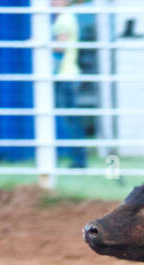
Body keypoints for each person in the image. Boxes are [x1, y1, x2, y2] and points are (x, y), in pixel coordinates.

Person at [51, 0, 90, 168]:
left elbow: (60, 47)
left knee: (71, 120)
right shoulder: (68, 17)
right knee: (72, 119)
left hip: (65, 75)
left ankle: (79, 159)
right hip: (68, 74)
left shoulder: (64, 19)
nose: (53, 2)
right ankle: (79, 158)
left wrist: (39, 45)